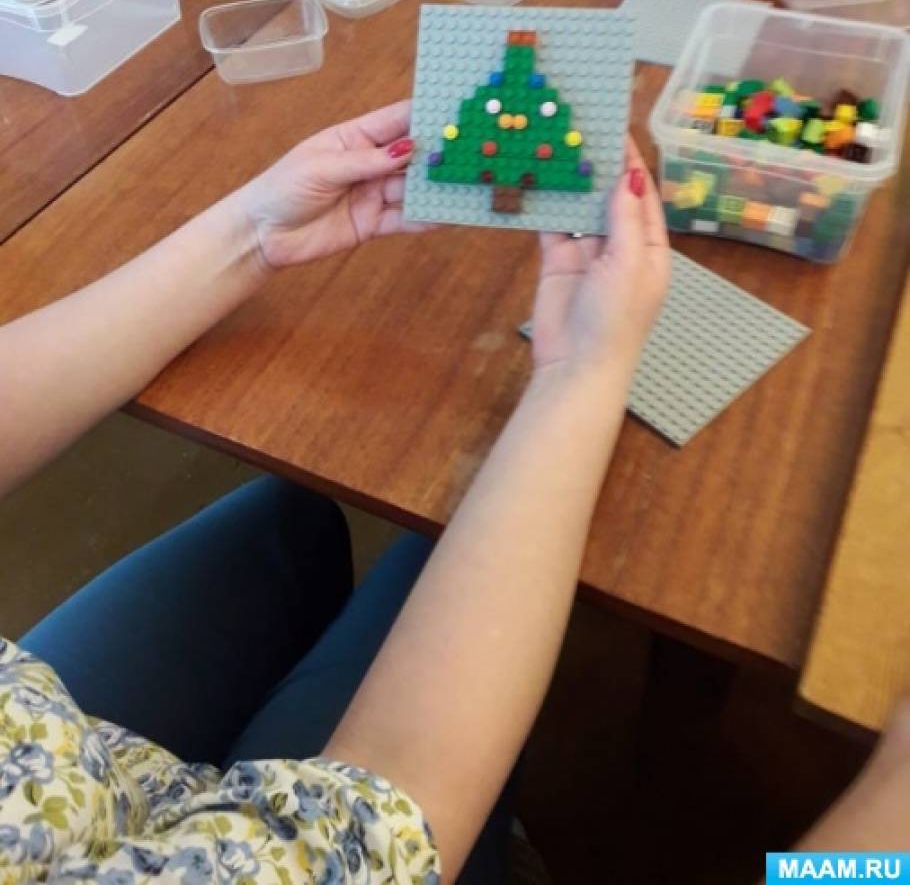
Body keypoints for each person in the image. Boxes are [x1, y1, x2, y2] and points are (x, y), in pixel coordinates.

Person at [1, 102, 907, 882]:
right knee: (428, 553)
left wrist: (253, 231)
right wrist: (581, 371)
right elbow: (377, 829)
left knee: (288, 516)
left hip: (43, 744)